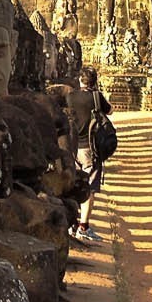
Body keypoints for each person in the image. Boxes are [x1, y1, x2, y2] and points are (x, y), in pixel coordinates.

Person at [65, 67, 112, 244]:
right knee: (89, 187)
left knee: (72, 183)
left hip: (71, 146)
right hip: (89, 148)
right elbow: (110, 111)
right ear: (93, 81)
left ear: (80, 80)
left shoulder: (70, 96)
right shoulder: (96, 97)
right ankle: (83, 227)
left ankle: (71, 222)